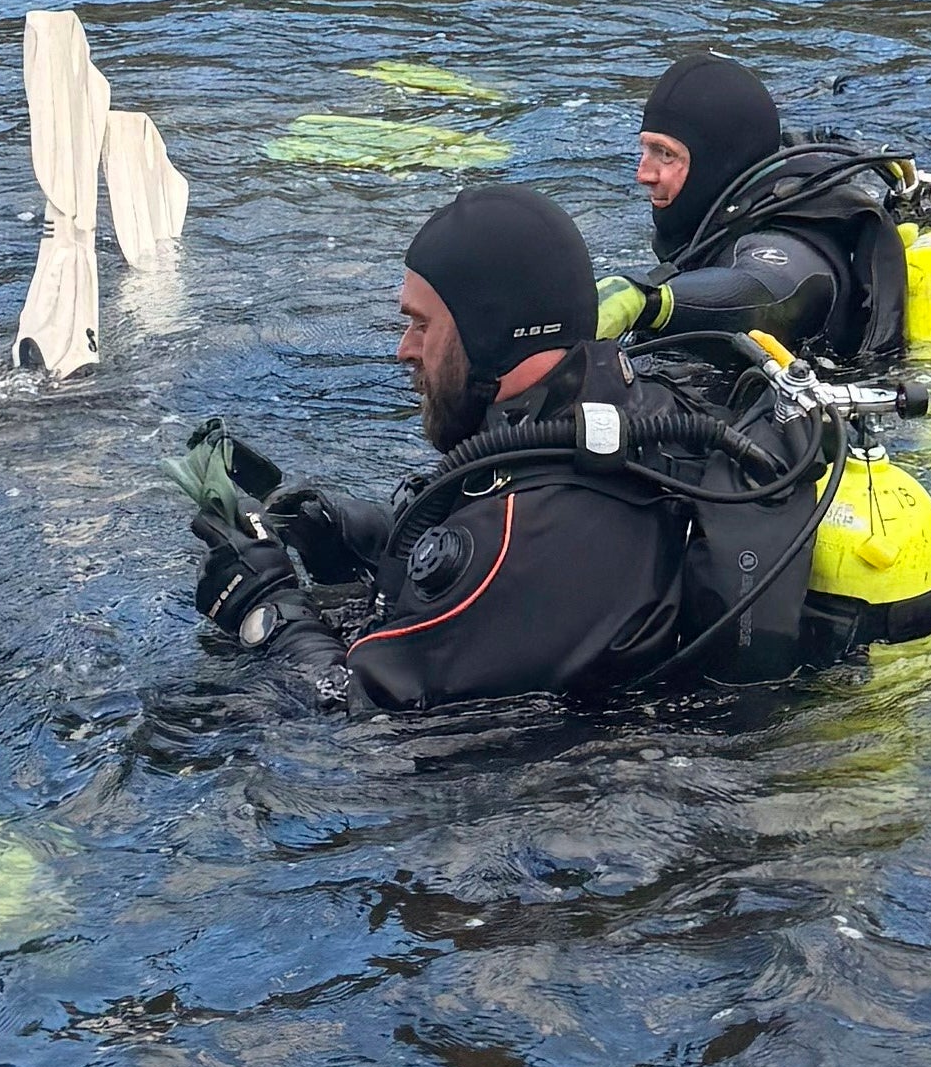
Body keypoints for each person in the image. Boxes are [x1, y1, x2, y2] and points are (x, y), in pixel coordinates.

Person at [192, 179, 846, 710]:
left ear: (490, 335)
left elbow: (353, 715)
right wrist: (367, 539)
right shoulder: (623, 406)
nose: (403, 351)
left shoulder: (527, 534)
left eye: (421, 326)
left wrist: (265, 608)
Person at [597, 46, 911, 374]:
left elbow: (763, 294)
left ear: (718, 162)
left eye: (665, 154)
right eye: (645, 149)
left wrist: (646, 301)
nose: (643, 174)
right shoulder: (720, 226)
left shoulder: (790, 242)